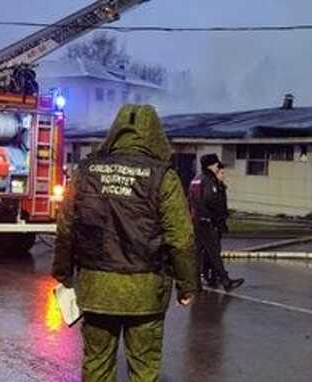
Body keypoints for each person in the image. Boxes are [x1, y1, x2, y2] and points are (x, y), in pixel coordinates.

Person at [52, 104, 198, 382]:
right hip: (145, 292)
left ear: (116, 131)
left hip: (96, 289)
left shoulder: (86, 172)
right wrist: (187, 284)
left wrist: (63, 273)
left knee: (96, 364)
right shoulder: (163, 177)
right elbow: (181, 238)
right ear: (154, 133)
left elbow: (66, 228)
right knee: (144, 368)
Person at [188, 153, 244, 291]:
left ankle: (196, 282)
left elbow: (190, 198)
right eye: (216, 164)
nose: (217, 166)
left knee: (197, 253)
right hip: (207, 221)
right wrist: (219, 219)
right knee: (214, 252)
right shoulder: (209, 180)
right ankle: (226, 282)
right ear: (211, 165)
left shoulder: (196, 179)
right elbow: (212, 200)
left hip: (195, 220)